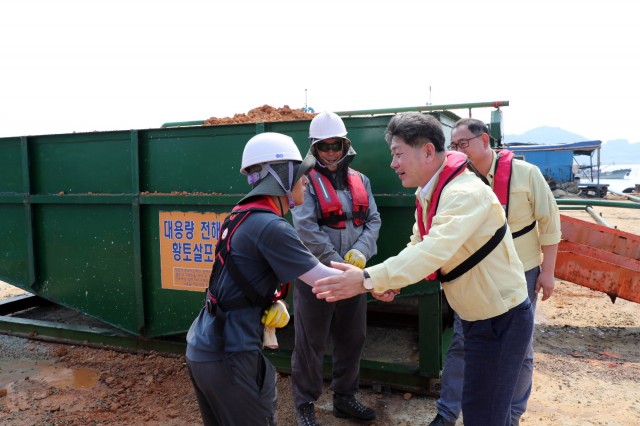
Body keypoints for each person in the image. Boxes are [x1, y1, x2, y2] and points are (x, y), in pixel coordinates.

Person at [313, 112, 534, 426]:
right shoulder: (433, 192)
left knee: (486, 415)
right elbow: (419, 242)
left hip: (500, 319)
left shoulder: (463, 194)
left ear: (428, 151)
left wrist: (365, 279)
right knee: (476, 406)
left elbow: (433, 250)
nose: (393, 163)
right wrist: (392, 281)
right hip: (476, 316)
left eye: (398, 154)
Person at [185, 132, 345, 426]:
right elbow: (323, 279)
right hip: (231, 356)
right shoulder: (271, 225)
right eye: (300, 175)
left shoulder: (241, 214)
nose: (307, 181)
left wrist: (265, 303)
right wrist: (377, 280)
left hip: (205, 349)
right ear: (281, 177)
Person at [429, 118, 561, 426]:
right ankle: (447, 412)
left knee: (520, 349)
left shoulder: (527, 175)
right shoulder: (457, 181)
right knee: (463, 341)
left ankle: (511, 415)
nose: (458, 150)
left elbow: (550, 224)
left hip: (522, 273)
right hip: (475, 275)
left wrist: (549, 272)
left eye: (464, 144)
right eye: (453, 145)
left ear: (485, 140)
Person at [290, 112, 382, 425]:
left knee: (352, 337)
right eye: (324, 146)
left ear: (345, 146)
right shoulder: (303, 181)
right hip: (316, 276)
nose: (330, 152)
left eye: (336, 145)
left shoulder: (361, 180)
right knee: (310, 343)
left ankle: (345, 398)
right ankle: (304, 404)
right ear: (314, 148)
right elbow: (305, 228)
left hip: (353, 278)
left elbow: (373, 220)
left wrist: (360, 250)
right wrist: (337, 264)